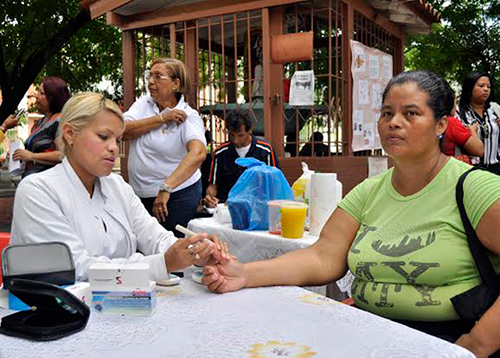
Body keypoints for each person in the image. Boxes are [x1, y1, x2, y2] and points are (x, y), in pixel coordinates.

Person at [201, 70, 500, 357]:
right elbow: (322, 256)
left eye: (411, 113)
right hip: (368, 330)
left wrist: (477, 343)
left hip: (445, 339)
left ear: (441, 125)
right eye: (387, 113)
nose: (394, 123)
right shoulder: (368, 191)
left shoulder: (474, 188)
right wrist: (243, 273)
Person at [10, 93, 228, 282]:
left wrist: (196, 252)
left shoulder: (117, 186)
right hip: (56, 321)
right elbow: (74, 268)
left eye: (118, 140)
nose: (113, 148)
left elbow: (156, 238)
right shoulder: (38, 191)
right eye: (103, 137)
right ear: (69, 134)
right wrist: (162, 264)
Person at [122, 58, 207, 237]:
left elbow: (198, 153)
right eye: (149, 76)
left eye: (158, 76)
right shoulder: (143, 105)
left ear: (176, 84)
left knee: (169, 247)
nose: (151, 81)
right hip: (139, 194)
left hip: (176, 195)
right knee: (143, 247)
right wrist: (162, 118)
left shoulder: (189, 116)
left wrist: (166, 187)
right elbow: (121, 131)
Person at [203, 109, 279, 208]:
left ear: (250, 130)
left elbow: (274, 183)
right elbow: (213, 186)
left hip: (258, 206)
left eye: (240, 135)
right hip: (226, 207)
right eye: (232, 135)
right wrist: (209, 198)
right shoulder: (220, 153)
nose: (235, 140)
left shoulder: (265, 151)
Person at [2, 77, 70, 177]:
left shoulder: (59, 122)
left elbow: (62, 155)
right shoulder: (39, 123)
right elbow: (31, 155)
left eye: (42, 93)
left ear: (53, 98)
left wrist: (32, 156)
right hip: (31, 180)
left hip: (47, 183)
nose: (36, 96)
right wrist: (19, 156)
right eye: (38, 91)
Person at [457, 72, 500, 174]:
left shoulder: (495, 109)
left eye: (488, 86)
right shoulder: (459, 112)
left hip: (497, 167)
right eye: (481, 86)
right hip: (471, 170)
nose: (486, 89)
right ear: (469, 88)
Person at [441, 93, 484, 163]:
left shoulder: (430, 120)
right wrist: (473, 131)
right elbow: (479, 150)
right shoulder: (451, 123)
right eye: (455, 103)